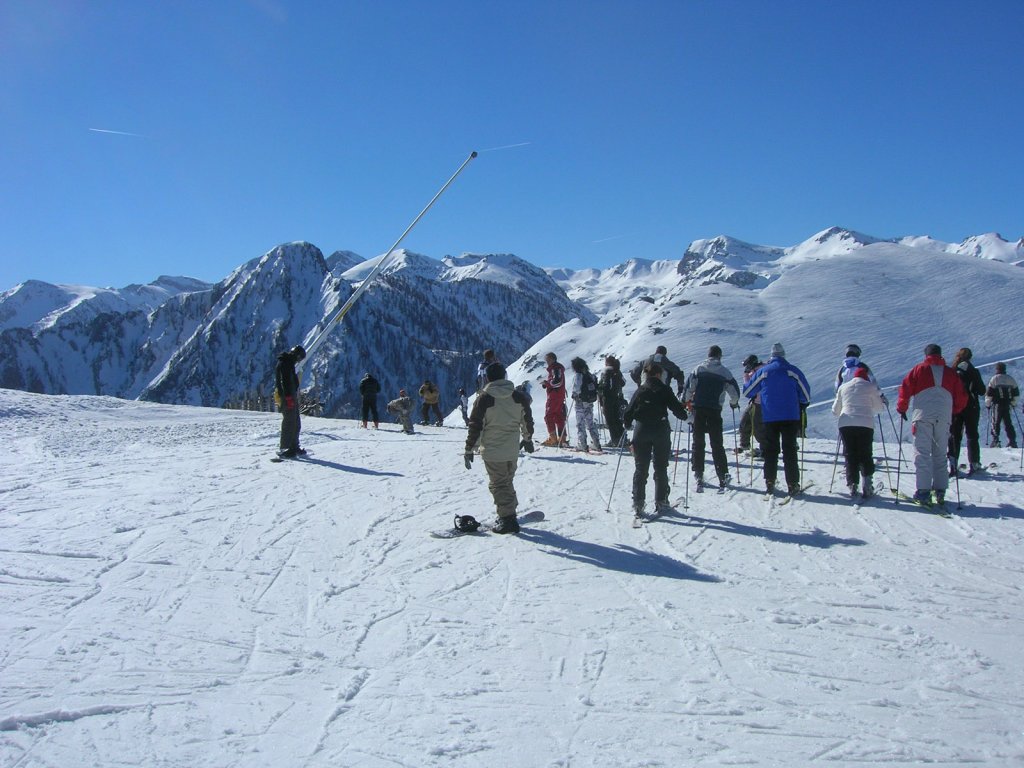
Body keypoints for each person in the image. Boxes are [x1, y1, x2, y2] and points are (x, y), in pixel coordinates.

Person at [464, 362, 535, 534]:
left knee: (499, 484)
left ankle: (507, 519)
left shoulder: (485, 398)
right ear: (504, 376)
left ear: (487, 378)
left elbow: (476, 426)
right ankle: (509, 511)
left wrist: (469, 449)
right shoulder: (518, 397)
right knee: (506, 481)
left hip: (493, 451)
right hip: (512, 450)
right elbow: (527, 421)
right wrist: (527, 439)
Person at [896, 344, 968, 507]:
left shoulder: (919, 370)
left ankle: (923, 492)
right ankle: (940, 490)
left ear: (926, 355)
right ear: (940, 355)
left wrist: (902, 408)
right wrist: (953, 410)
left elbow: (905, 389)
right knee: (940, 453)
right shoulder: (951, 373)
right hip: (944, 417)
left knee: (922, 454)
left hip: (922, 416)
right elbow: (961, 397)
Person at [742, 343, 811, 497]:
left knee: (770, 450)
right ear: (784, 355)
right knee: (790, 450)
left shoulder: (764, 372)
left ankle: (770, 482)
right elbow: (806, 395)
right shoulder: (793, 371)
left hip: (770, 416)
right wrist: (800, 402)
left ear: (771, 356)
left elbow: (747, 391)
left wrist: (746, 378)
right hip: (790, 416)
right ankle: (793, 484)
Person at [622, 362, 689, 517]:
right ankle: (661, 501)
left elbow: (628, 411)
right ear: (659, 374)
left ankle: (638, 503)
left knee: (641, 468)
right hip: (660, 430)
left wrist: (627, 424)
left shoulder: (641, 390)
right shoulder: (665, 389)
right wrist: (686, 416)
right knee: (660, 467)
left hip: (641, 430)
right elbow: (677, 410)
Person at [682, 345, 740, 490]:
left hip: (698, 409)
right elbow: (735, 393)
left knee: (698, 441)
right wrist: (734, 403)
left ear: (708, 355)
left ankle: (698, 474)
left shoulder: (698, 369)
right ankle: (722, 475)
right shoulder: (725, 372)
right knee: (716, 443)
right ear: (719, 356)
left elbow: (689, 388)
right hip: (714, 410)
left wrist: (685, 401)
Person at [832, 366, 885, 498]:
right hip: (865, 424)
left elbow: (835, 410)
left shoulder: (843, 387)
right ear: (866, 377)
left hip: (846, 423)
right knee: (866, 453)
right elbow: (879, 408)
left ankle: (852, 485)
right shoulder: (871, 386)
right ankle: (867, 484)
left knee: (850, 454)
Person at [947, 348, 986, 474]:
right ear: (970, 357)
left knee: (954, 435)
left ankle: (952, 464)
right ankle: (974, 463)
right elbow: (981, 390)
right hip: (971, 406)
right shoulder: (973, 371)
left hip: (955, 406)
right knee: (972, 434)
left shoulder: (952, 370)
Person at [275, 344, 306, 458]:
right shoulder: (285, 363)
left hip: (290, 395)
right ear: (297, 356)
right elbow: (285, 382)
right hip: (287, 396)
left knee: (295, 421)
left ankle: (294, 446)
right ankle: (285, 448)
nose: (299, 361)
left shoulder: (288, 363)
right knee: (289, 421)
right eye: (300, 358)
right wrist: (288, 397)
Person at [569, 357, 603, 454]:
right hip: (589, 401)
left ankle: (583, 444)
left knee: (580, 423)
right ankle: (596, 443)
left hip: (580, 402)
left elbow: (576, 389)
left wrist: (574, 395)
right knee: (590, 422)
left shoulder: (578, 375)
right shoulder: (589, 375)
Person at [986, 362, 1019, 448]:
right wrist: (1013, 403)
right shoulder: (1010, 379)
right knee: (1008, 423)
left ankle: (996, 440)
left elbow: (989, 393)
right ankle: (1012, 441)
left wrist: (988, 404)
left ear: (997, 369)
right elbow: (1016, 393)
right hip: (1007, 404)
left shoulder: (994, 379)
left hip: (997, 404)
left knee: (995, 422)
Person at [738, 354, 765, 457]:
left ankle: (765, 449)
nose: (746, 368)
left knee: (758, 427)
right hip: (755, 402)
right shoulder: (756, 370)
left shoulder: (758, 371)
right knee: (745, 421)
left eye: (747, 366)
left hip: (760, 403)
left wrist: (746, 375)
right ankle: (745, 444)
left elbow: (748, 388)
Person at [540, 352, 569, 446]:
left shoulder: (555, 368)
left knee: (549, 416)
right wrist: (547, 383)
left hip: (554, 397)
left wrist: (547, 383)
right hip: (559, 396)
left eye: (548, 359)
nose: (547, 362)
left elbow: (557, 382)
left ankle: (553, 439)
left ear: (552, 359)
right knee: (558, 416)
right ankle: (562, 439)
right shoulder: (557, 368)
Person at [598, 355, 627, 448]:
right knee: (617, 419)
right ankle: (622, 438)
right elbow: (623, 383)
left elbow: (605, 386)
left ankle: (615, 440)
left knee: (610, 420)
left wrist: (599, 389)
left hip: (607, 399)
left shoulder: (606, 371)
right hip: (617, 398)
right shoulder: (617, 371)